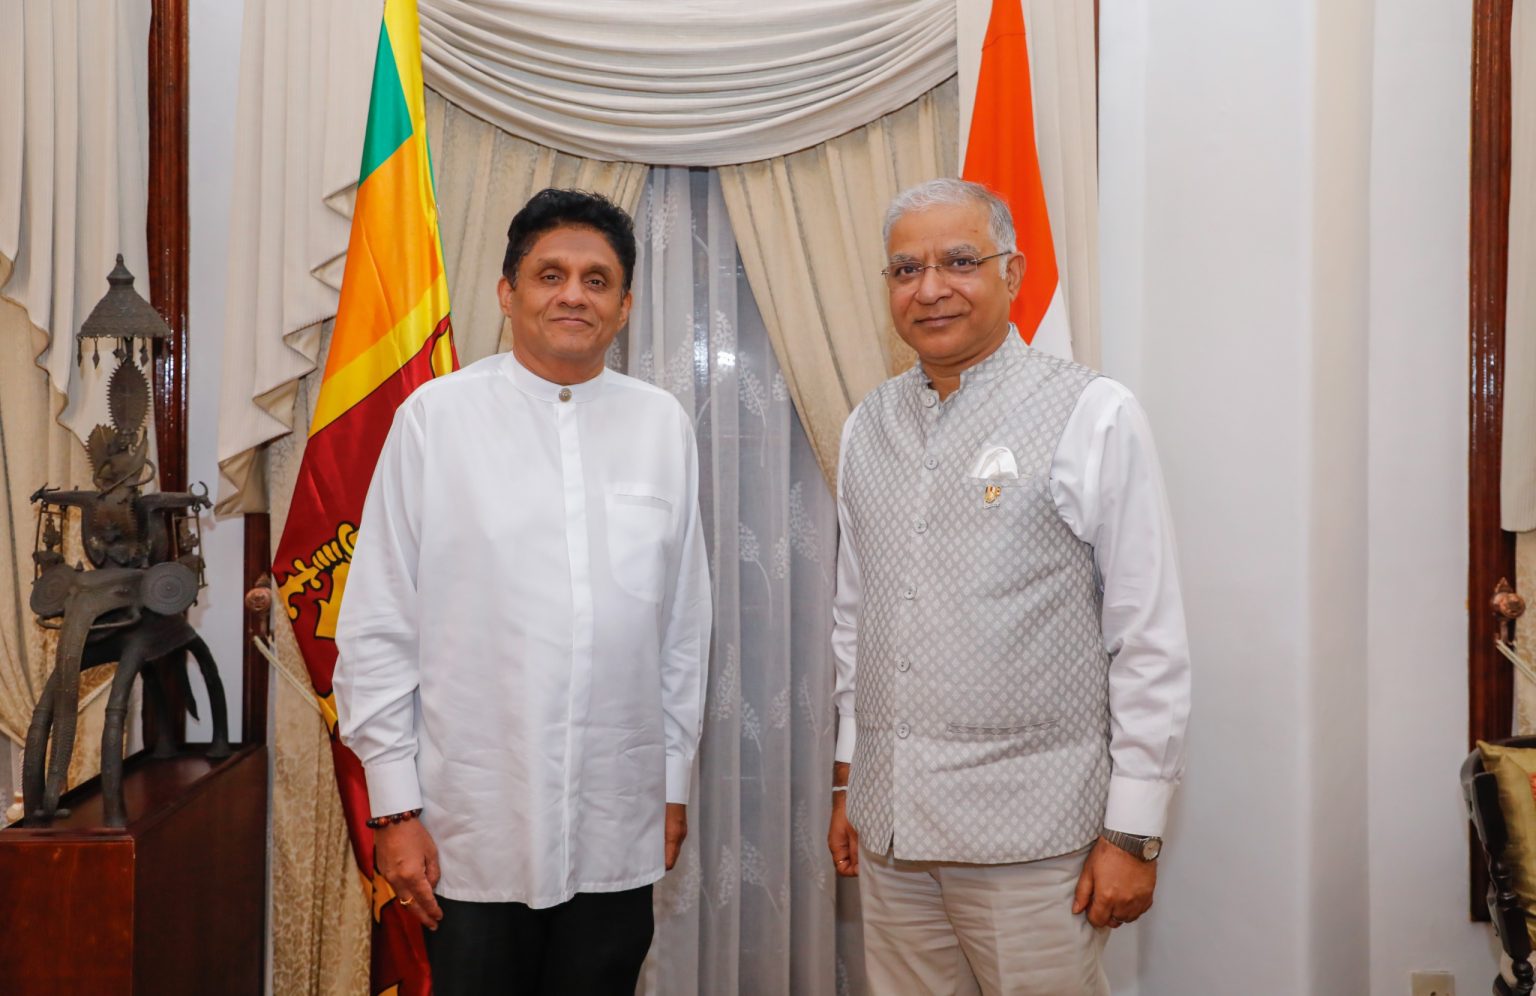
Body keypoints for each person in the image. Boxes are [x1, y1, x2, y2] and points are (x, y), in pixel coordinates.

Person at [334, 188, 711, 995]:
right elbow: (378, 625)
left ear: (624, 306)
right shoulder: (435, 420)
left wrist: (671, 786)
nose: (574, 294)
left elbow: (682, 631)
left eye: (597, 280)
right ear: (508, 293)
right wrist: (395, 810)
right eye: (550, 275)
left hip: (618, 820)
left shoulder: (661, 425)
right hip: (471, 829)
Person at [826, 178, 1190, 995]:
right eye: (906, 269)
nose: (930, 288)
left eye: (959, 261)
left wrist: (1134, 833)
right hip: (891, 833)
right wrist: (851, 778)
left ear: (1013, 272)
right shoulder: (866, 425)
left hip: (1036, 843)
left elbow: (1147, 635)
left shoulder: (1093, 412)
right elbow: (857, 620)